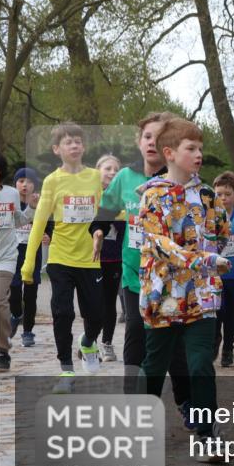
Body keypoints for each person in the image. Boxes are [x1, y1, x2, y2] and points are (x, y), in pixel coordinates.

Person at [137, 117, 230, 459]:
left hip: (201, 296)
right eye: (191, 148)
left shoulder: (207, 195)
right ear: (170, 153)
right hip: (162, 296)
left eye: (201, 148)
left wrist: (215, 258)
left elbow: (222, 232)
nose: (199, 154)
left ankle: (207, 434)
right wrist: (202, 259)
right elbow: (158, 244)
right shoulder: (152, 196)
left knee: (201, 364)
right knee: (154, 366)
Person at [89, 113, 191, 421]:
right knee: (135, 327)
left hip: (170, 277)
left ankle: (186, 401)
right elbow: (106, 210)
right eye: (147, 136)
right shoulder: (125, 177)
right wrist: (98, 230)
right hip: (135, 274)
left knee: (170, 336)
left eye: (158, 138)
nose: (152, 143)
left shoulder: (178, 178)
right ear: (139, 141)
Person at [21, 122, 106, 391]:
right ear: (57, 149)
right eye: (68, 142)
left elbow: (107, 213)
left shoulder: (95, 177)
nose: (74, 145)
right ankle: (66, 370)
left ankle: (88, 342)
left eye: (78, 141)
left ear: (84, 147)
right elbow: (39, 222)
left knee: (97, 315)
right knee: (62, 313)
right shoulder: (52, 181)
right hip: (60, 258)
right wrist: (29, 262)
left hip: (90, 258)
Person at [0, 152, 34, 371]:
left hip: (5, 258)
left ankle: (2, 351)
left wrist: (32, 207)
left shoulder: (11, 194)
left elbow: (19, 220)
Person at [9, 168, 49, 347]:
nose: (25, 185)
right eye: (21, 181)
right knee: (14, 289)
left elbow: (50, 223)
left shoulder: (41, 203)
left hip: (33, 253)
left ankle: (28, 331)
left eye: (29, 181)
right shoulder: (10, 202)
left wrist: (48, 235)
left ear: (35, 185)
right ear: (15, 184)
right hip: (13, 252)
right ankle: (16, 314)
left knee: (31, 294)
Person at [212, 171, 234, 367]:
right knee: (217, 311)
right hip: (216, 274)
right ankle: (215, 340)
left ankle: (228, 348)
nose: (223, 198)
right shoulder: (210, 217)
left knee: (231, 315)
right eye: (218, 194)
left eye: (227, 194)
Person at [94, 154, 125, 362]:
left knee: (109, 303)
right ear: (97, 172)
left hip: (114, 259)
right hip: (90, 258)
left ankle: (106, 343)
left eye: (116, 169)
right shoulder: (90, 196)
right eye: (108, 168)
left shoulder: (124, 197)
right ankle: (89, 341)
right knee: (92, 304)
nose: (112, 172)